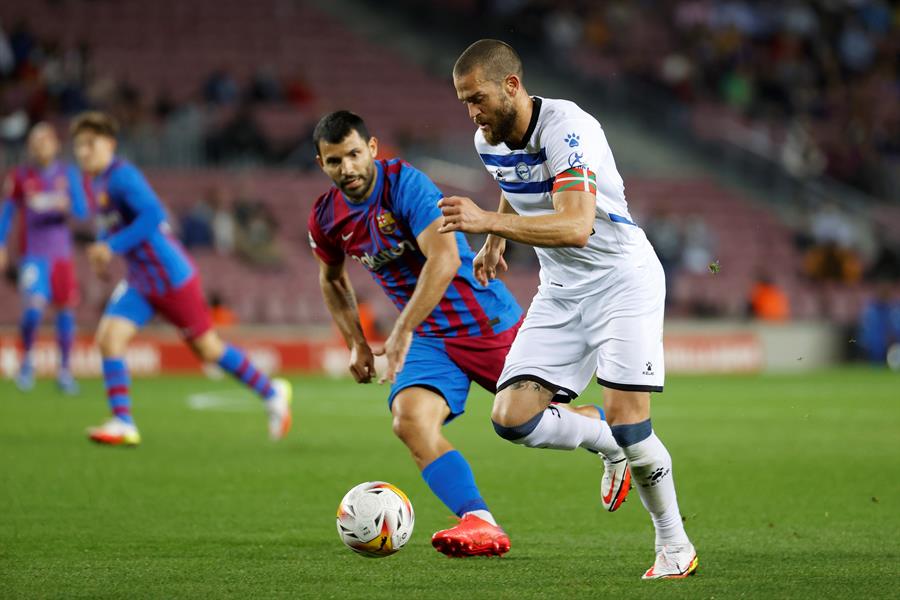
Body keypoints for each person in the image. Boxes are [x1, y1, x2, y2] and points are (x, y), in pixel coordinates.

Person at [308, 111, 627, 557]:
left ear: (373, 149)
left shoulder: (406, 187)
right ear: (321, 163)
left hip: (486, 325)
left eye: (355, 155)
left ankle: (608, 436)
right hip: (432, 338)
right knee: (410, 421)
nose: (347, 169)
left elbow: (443, 259)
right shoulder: (327, 216)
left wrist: (399, 333)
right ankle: (480, 521)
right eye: (334, 160)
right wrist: (357, 341)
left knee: (537, 418)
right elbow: (332, 279)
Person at [440, 39, 697, 579]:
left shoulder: (568, 127)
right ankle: (606, 444)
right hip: (561, 290)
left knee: (634, 425)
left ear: (512, 85)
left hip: (621, 279)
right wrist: (498, 241)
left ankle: (674, 545)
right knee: (511, 419)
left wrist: (487, 222)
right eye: (464, 101)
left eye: (478, 98)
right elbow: (517, 181)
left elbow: (577, 226)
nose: (472, 112)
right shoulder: (488, 140)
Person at [69, 111, 292, 447]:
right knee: (109, 338)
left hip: (172, 277)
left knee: (208, 349)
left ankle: (271, 391)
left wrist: (111, 246)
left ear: (110, 144)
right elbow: (113, 223)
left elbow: (153, 215)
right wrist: (104, 251)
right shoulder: (95, 182)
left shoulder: (122, 176)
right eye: (79, 145)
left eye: (91, 143)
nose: (84, 151)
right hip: (141, 280)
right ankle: (123, 421)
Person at [0, 122, 88, 394]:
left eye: (46, 140)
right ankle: (27, 362)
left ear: (55, 144)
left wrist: (67, 204)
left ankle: (65, 371)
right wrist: (1, 244)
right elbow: (7, 212)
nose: (41, 145)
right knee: (33, 311)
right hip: (33, 255)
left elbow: (83, 211)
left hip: (61, 254)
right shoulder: (20, 175)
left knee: (65, 311)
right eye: (36, 141)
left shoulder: (68, 173)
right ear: (30, 146)